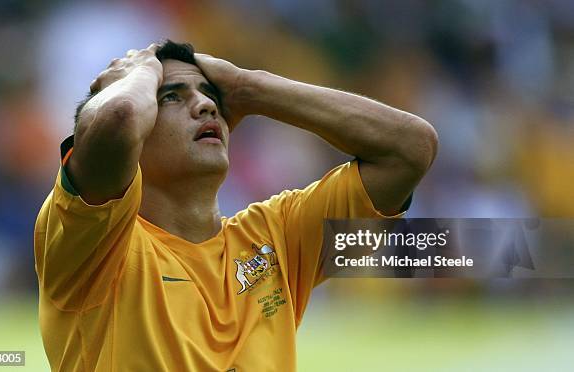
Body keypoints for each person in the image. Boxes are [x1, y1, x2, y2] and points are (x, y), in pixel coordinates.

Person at [34, 40, 437, 371]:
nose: (206, 106)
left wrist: (251, 88)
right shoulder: (94, 245)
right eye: (171, 97)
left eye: (211, 96)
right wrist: (139, 71)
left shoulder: (274, 237)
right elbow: (117, 118)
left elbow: (409, 149)